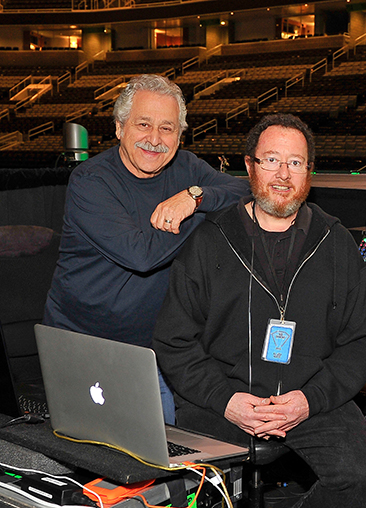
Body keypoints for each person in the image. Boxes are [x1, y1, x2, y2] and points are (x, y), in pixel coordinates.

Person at [152, 113, 366, 508]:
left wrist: (308, 400)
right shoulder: (209, 240)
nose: (283, 174)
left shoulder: (337, 243)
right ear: (249, 166)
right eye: (271, 160)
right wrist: (227, 400)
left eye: (296, 163)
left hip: (308, 397)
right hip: (222, 398)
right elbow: (174, 341)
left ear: (309, 173)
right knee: (179, 503)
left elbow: (361, 341)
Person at [42, 74, 248, 424]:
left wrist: (194, 198)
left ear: (180, 136)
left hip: (155, 347)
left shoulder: (187, 169)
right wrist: (198, 210)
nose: (155, 139)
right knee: (93, 457)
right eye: (143, 124)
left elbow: (244, 192)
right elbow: (142, 255)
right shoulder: (91, 181)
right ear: (120, 128)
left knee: (160, 455)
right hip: (84, 346)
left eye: (167, 128)